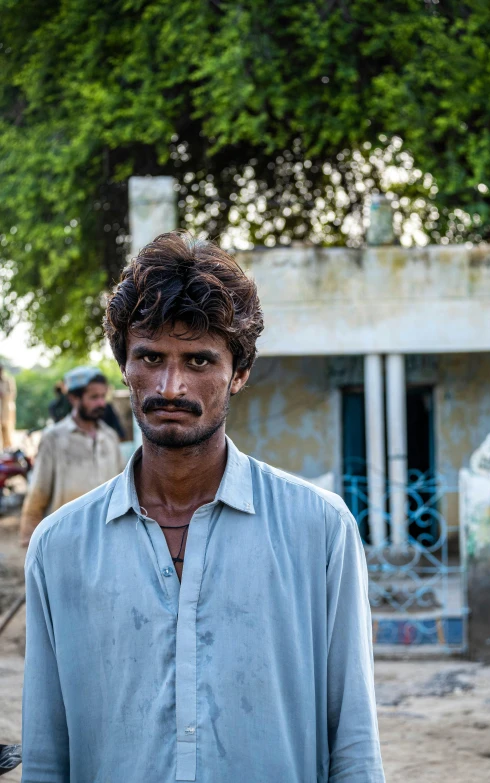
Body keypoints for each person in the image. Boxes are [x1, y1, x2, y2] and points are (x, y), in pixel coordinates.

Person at [22, 232, 385, 782]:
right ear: (125, 366)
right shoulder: (59, 548)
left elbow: (354, 746)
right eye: (150, 357)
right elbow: (47, 758)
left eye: (198, 360)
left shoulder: (320, 530)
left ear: (238, 373)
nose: (171, 385)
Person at [19, 367, 124, 546]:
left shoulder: (109, 437)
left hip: (105, 540)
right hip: (65, 540)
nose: (101, 403)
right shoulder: (53, 438)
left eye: (102, 396)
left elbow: (122, 488)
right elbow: (38, 493)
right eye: (93, 397)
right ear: (74, 399)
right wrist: (30, 539)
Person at [0, 363, 17, 450]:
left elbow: (12, 394)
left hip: (6, 409)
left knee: (7, 430)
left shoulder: (8, 380)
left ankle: (7, 449)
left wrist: (3, 395)